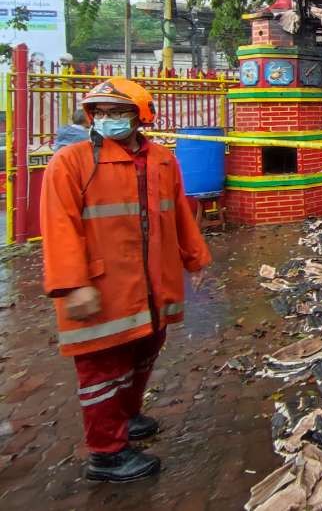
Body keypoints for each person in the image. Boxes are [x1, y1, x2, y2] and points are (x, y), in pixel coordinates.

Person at [40, 77, 212, 483]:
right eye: (100, 112)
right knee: (102, 366)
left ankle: (126, 414)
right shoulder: (71, 162)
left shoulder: (162, 161)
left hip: (152, 283)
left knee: (146, 348)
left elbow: (180, 216)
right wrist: (73, 284)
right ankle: (106, 454)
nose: (108, 119)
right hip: (101, 287)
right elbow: (58, 228)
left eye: (118, 112)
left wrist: (196, 261)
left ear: (141, 116)